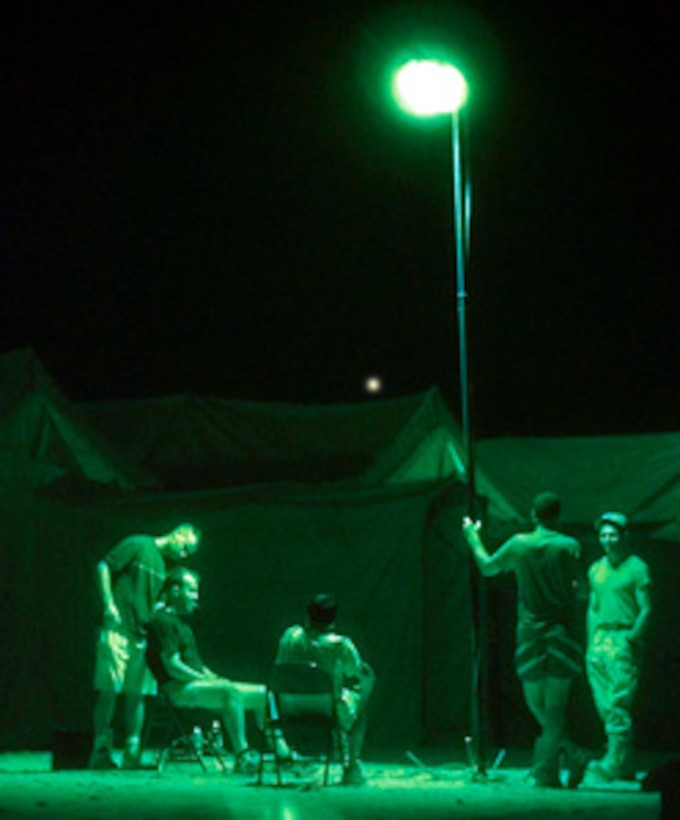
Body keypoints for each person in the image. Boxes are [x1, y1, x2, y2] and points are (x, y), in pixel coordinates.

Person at [462, 491, 586, 788]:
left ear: (533, 514)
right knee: (553, 707)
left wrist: (471, 536)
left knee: (537, 703)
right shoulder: (570, 546)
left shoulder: (519, 544)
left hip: (530, 633)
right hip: (562, 633)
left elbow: (488, 567)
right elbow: (580, 590)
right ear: (557, 515)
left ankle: (547, 769)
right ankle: (569, 753)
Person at [146, 567, 283, 774]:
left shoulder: (182, 624)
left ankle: (282, 751)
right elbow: (172, 666)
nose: (196, 597)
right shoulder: (162, 621)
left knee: (262, 694)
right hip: (177, 689)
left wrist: (213, 678)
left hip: (195, 683)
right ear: (174, 591)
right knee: (228, 691)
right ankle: (242, 754)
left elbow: (197, 665)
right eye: (191, 590)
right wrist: (208, 681)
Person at [89, 523, 201, 769]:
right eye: (185, 547)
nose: (183, 555)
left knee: (137, 695)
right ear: (179, 533)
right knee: (109, 690)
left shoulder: (166, 567)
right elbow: (104, 566)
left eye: (187, 553)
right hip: (118, 629)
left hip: (143, 636)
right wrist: (109, 604)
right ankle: (100, 750)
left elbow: (160, 599)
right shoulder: (139, 543)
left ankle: (132, 752)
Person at [275, 593, 375, 786]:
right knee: (361, 700)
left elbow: (279, 666)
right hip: (326, 711)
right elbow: (354, 673)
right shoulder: (341, 645)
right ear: (333, 618)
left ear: (308, 614)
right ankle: (351, 768)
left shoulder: (289, 636)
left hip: (288, 709)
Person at [585, 512, 652, 783]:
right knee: (604, 705)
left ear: (624, 536)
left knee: (618, 703)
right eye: (603, 534)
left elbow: (647, 608)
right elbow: (593, 607)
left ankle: (614, 763)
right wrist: (590, 644)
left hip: (623, 638)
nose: (607, 539)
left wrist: (632, 639)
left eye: (612, 534)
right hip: (600, 641)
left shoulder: (637, 568)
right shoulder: (596, 569)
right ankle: (623, 759)